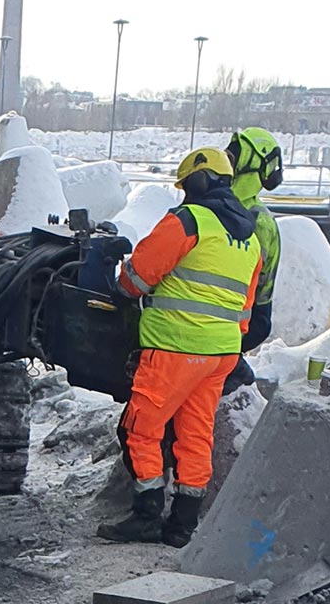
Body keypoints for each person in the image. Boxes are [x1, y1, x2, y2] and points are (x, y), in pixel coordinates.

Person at [99, 147, 262, 547]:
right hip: (220, 354)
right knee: (195, 434)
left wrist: (120, 285)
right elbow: (245, 312)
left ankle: (146, 515)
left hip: (175, 347)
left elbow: (135, 279)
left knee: (140, 428)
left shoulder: (188, 221)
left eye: (187, 185)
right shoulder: (250, 240)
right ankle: (182, 524)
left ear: (198, 182)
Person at [220, 128, 284, 393]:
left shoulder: (200, 209)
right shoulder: (263, 222)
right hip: (236, 328)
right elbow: (263, 297)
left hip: (207, 328)